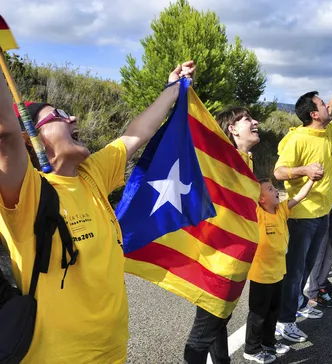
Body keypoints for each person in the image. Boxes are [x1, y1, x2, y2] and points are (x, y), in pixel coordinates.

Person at [0, 61, 195, 363]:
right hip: (58, 356)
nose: (74, 116)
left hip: (113, 348)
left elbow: (137, 133)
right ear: (32, 137)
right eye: (60, 115)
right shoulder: (26, 193)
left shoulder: (91, 174)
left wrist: (172, 90)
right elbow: (6, 136)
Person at [273, 76, 332, 343]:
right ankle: (284, 321)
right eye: (323, 104)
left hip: (322, 214)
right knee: (295, 271)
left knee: (305, 267)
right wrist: (305, 170)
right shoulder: (298, 139)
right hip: (301, 217)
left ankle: (298, 305)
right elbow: (278, 172)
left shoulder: (327, 132)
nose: (329, 106)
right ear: (314, 114)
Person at [184, 105, 262, 364]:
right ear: (232, 129)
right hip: (219, 261)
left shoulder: (245, 161)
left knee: (219, 320)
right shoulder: (223, 161)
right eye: (247, 119)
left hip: (234, 259)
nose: (256, 122)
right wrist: (185, 91)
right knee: (201, 335)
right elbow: (196, 138)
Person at [243, 178, 314, 363]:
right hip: (261, 274)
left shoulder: (281, 210)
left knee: (274, 311)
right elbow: (245, 192)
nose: (276, 190)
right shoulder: (257, 213)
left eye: (274, 187)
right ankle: (251, 349)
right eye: (270, 188)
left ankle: (268, 343)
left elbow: (300, 196)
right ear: (261, 199)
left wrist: (312, 180)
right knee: (258, 314)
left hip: (278, 272)